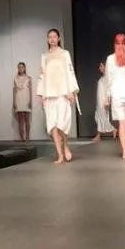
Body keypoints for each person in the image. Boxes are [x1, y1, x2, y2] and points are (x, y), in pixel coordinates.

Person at [37, 29, 79, 164]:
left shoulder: (65, 54)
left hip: (63, 93)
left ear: (59, 38)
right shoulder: (44, 56)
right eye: (50, 37)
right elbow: (42, 76)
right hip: (49, 94)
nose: (52, 39)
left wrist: (72, 91)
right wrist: (41, 94)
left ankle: (65, 145)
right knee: (52, 125)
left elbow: (70, 72)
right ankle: (60, 155)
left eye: (54, 36)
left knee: (62, 124)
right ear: (47, 39)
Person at [92, 62, 114, 142]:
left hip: (104, 101)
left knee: (102, 116)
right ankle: (113, 130)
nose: (99, 68)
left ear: (105, 66)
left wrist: (108, 100)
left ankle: (99, 135)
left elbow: (109, 90)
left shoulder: (108, 77)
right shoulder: (103, 77)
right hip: (100, 101)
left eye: (101, 66)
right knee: (99, 116)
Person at [13, 63, 33, 141]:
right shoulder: (15, 78)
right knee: (20, 119)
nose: (20, 69)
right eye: (19, 67)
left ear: (24, 68)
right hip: (18, 99)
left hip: (26, 99)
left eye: (22, 67)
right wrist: (14, 102)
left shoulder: (28, 78)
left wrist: (30, 101)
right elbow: (14, 91)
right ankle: (22, 137)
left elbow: (30, 90)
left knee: (27, 119)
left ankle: (27, 136)